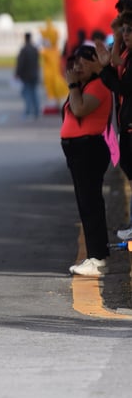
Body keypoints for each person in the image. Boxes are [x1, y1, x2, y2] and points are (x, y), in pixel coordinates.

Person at [61, 44, 113, 277]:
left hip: (89, 149)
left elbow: (80, 109)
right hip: (78, 150)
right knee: (85, 202)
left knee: (90, 202)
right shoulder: (85, 86)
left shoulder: (99, 85)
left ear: (96, 63)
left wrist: (73, 86)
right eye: (76, 62)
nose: (78, 66)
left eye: (84, 62)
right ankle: (95, 255)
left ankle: (98, 257)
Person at [98, 9, 132, 241]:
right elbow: (116, 61)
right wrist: (117, 38)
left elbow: (124, 87)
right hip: (125, 123)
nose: (125, 34)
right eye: (124, 30)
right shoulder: (127, 53)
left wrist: (104, 72)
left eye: (130, 30)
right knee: (128, 170)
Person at [15, 32, 41, 120]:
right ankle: (36, 111)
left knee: (26, 93)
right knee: (34, 93)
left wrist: (17, 73)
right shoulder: (34, 49)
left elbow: (20, 63)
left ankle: (28, 111)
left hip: (26, 75)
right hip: (34, 74)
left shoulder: (24, 49)